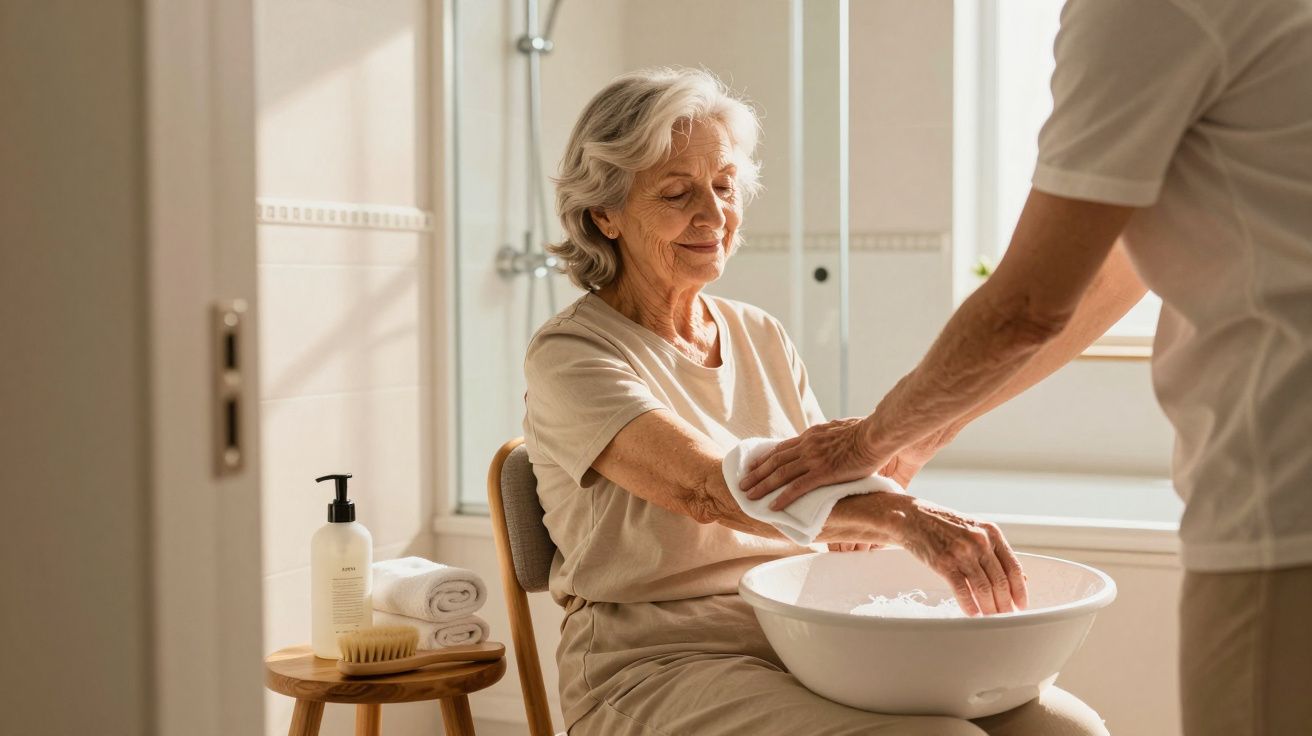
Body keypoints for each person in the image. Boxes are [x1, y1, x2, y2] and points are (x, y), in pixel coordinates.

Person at [741, 2, 1312, 734]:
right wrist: (920, 434)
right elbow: (1111, 269)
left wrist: (867, 442)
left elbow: (1028, 306)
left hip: (1284, 491)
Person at [523, 67, 1108, 736]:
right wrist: (904, 519)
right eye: (677, 193)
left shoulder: (760, 333)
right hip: (656, 661)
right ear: (605, 213)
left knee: (1066, 730)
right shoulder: (572, 354)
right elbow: (707, 490)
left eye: (724, 187)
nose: (713, 215)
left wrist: (884, 476)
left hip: (803, 635)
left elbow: (820, 502)